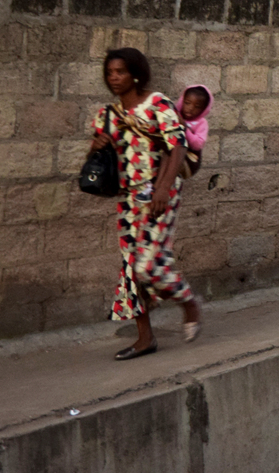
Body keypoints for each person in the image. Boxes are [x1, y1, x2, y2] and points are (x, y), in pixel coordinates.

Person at [90, 48, 200, 360]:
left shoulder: (157, 103)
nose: (114, 78)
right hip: (128, 198)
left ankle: (189, 302)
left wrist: (163, 188)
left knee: (148, 264)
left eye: (120, 72)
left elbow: (177, 144)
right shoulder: (107, 115)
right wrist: (96, 145)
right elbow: (96, 160)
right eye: (110, 72)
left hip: (161, 192)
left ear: (135, 74)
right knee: (131, 269)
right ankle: (145, 338)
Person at [175, 85, 211, 176]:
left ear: (204, 109)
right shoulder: (175, 116)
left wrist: (185, 128)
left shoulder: (201, 123)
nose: (191, 108)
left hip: (189, 162)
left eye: (197, 106)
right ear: (182, 101)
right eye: (187, 103)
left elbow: (198, 144)